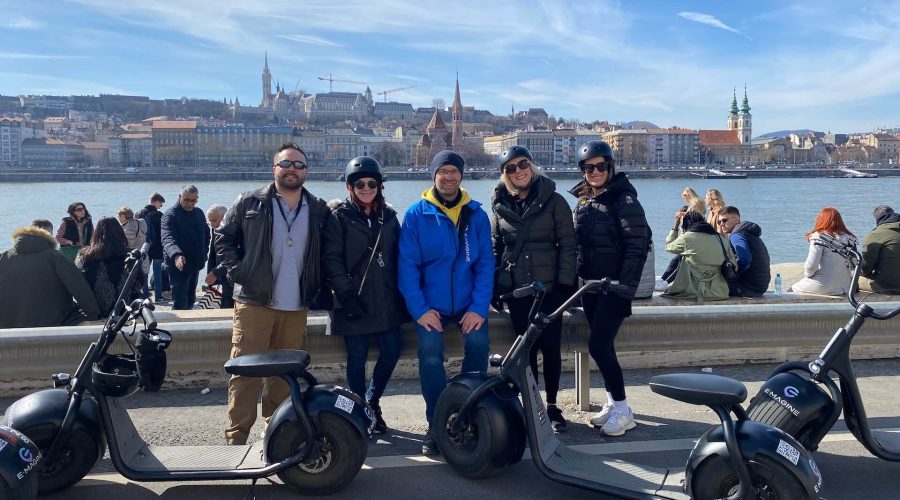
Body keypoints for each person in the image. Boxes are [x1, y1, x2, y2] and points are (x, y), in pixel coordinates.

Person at [216, 143, 329, 445]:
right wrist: (239, 273)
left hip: (296, 305)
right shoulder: (250, 201)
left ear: (307, 171)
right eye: (286, 164)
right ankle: (236, 437)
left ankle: (276, 432)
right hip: (255, 301)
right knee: (245, 371)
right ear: (274, 169)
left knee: (283, 375)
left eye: (299, 165)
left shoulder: (317, 209)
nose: (292, 169)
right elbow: (223, 240)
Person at [398, 149, 493, 455]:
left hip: (468, 304)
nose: (449, 176)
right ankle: (437, 421)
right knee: (428, 352)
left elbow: (485, 265)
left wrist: (478, 308)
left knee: (479, 345)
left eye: (454, 171)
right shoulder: (417, 214)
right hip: (431, 304)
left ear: (460, 175)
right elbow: (407, 268)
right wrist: (420, 310)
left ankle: (466, 412)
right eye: (443, 171)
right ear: (434, 175)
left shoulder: (476, 214)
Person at [491, 145, 576, 433]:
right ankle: (532, 403)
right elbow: (497, 247)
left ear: (531, 165)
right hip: (519, 291)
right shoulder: (500, 204)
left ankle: (552, 406)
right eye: (511, 168)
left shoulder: (555, 201)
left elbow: (568, 245)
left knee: (550, 349)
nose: (518, 171)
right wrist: (496, 285)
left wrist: (564, 285)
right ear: (505, 174)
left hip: (549, 288)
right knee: (525, 352)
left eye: (522, 164)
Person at [568, 140, 649, 436]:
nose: (595, 171)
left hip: (614, 287)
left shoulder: (624, 200)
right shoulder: (584, 201)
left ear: (611, 167)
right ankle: (613, 405)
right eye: (589, 168)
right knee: (605, 348)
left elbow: (637, 245)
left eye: (601, 166)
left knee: (598, 346)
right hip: (590, 286)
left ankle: (624, 410)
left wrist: (625, 285)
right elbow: (580, 245)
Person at [323, 156, 407, 434]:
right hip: (352, 299)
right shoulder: (338, 217)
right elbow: (332, 259)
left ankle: (372, 400)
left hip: (384, 298)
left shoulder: (390, 218)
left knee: (393, 350)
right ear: (350, 187)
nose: (367, 188)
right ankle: (360, 410)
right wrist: (346, 296)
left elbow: (399, 258)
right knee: (357, 356)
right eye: (360, 184)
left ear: (380, 185)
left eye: (372, 183)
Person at [0, 225, 99, 328]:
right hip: (53, 322)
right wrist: (93, 313)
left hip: (7, 324)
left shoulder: (3, 257)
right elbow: (78, 287)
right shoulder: (56, 257)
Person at [662, 210, 735, 302]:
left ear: (686, 225)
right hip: (718, 292)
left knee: (684, 256)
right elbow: (734, 265)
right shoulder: (721, 239)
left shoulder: (687, 237)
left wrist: (675, 227)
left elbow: (668, 247)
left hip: (692, 292)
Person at [161, 185, 210, 310]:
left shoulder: (199, 213)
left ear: (197, 200)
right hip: (178, 266)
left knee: (190, 300)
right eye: (186, 199)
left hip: (195, 263)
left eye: (193, 200)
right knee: (180, 302)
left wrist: (204, 254)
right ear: (180, 197)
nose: (189, 203)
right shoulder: (170, 215)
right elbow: (167, 238)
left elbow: (206, 235)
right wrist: (176, 254)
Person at [790, 208, 858, 296]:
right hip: (845, 286)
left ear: (820, 220)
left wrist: (808, 275)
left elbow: (811, 267)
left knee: (792, 289)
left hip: (822, 285)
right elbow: (854, 264)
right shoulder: (850, 239)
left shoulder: (818, 237)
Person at [76, 217, 132, 317]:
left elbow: (80, 284)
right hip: (126, 310)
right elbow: (138, 284)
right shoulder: (130, 256)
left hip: (95, 309)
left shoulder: (85, 255)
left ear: (96, 234)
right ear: (120, 233)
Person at [717, 206, 771, 297]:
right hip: (760, 286)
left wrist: (734, 275)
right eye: (719, 222)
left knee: (711, 288)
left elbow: (745, 258)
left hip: (747, 288)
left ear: (736, 220)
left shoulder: (737, 235)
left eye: (724, 220)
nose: (721, 224)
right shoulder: (750, 234)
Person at [859, 205, 900, 294]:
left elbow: (865, 269)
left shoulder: (875, 235)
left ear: (877, 219)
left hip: (888, 287)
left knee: (852, 277)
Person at [204, 204, 234, 309]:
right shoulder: (215, 229)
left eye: (214, 221)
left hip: (232, 278)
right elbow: (213, 254)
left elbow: (233, 257)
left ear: (224, 218)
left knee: (228, 307)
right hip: (219, 276)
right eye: (209, 222)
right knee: (216, 307)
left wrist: (215, 272)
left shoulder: (234, 231)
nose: (211, 225)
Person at [138, 193, 166, 303]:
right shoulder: (159, 215)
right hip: (157, 247)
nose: (161, 206)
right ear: (155, 202)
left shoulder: (138, 213)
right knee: (157, 271)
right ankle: (158, 296)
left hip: (144, 246)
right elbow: (163, 232)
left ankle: (144, 295)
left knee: (144, 272)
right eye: (161, 203)